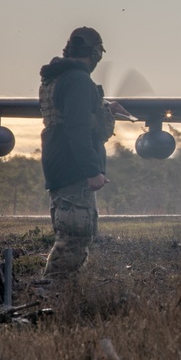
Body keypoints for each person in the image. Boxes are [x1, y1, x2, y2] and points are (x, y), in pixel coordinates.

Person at [39, 26, 116, 278]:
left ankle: (55, 295)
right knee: (75, 237)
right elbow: (77, 127)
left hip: (57, 161)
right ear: (95, 53)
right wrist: (92, 171)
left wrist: (102, 107)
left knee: (69, 235)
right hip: (74, 169)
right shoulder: (79, 80)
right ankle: (54, 297)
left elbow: (70, 116)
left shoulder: (57, 77)